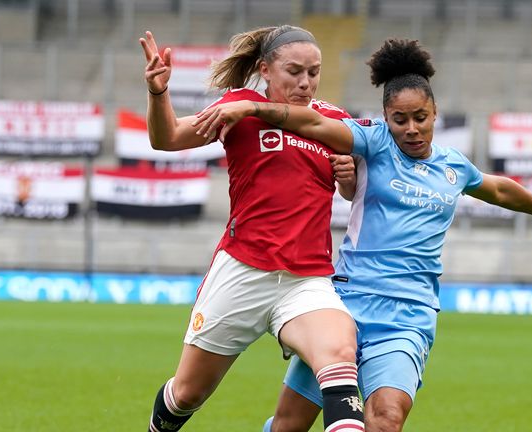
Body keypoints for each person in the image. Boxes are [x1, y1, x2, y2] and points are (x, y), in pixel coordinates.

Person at [192, 38, 532, 432]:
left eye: (421, 117)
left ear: (435, 114)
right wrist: (251, 107)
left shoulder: (454, 167)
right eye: (400, 119)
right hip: (346, 304)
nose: (412, 128)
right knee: (287, 427)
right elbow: (311, 122)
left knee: (386, 420)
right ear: (386, 118)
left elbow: (499, 189)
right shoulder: (373, 142)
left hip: (408, 314)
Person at [140, 26, 365, 432]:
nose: (305, 82)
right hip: (242, 272)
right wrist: (159, 94)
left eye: (314, 72)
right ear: (264, 68)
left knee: (340, 352)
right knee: (188, 393)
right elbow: (167, 138)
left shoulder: (332, 120)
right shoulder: (238, 106)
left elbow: (354, 191)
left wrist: (348, 178)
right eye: (294, 71)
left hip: (307, 280)